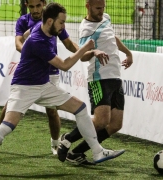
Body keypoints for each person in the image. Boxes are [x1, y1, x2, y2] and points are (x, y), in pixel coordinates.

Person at [0, 2, 125, 175]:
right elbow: (64, 65)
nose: (63, 27)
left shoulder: (46, 29)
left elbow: (56, 43)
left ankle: (97, 151)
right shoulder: (38, 41)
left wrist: (86, 51)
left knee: (80, 108)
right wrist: (86, 49)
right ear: (50, 21)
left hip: (44, 85)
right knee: (8, 126)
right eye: (61, 23)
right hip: (24, 88)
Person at [0, 0, 79, 155]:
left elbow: (68, 43)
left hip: (50, 71)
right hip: (31, 71)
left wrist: (82, 52)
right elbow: (18, 43)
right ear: (27, 5)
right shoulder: (23, 21)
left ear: (44, 4)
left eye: (38, 6)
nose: (35, 10)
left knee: (52, 111)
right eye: (31, 7)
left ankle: (55, 144)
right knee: (9, 106)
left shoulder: (53, 20)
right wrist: (32, 53)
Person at [57, 0, 133, 165]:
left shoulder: (105, 17)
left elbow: (113, 38)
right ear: (88, 6)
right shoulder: (86, 28)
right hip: (99, 78)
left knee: (115, 124)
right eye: (98, 8)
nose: (101, 11)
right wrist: (94, 52)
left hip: (115, 76)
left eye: (103, 7)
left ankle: (76, 153)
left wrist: (127, 52)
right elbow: (82, 55)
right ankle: (67, 139)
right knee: (101, 121)